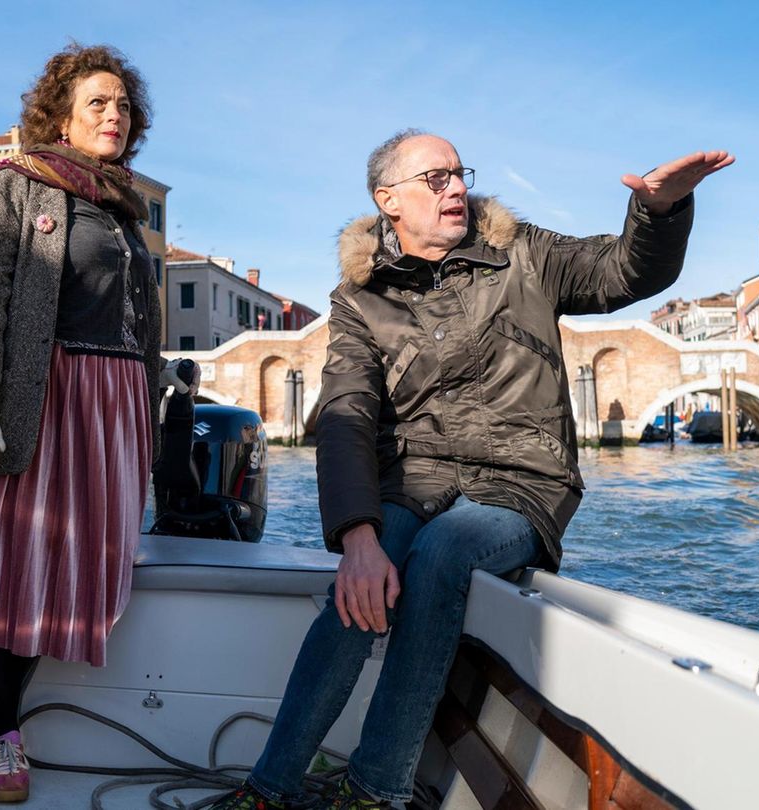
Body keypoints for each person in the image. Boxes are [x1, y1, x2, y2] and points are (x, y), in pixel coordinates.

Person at [213, 131, 731, 809]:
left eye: (459, 175)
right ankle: (270, 789)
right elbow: (347, 414)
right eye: (435, 179)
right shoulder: (359, 300)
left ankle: (376, 790)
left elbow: (624, 273)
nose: (456, 188)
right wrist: (358, 538)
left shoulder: (524, 253)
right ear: (388, 200)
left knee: (443, 552)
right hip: (416, 479)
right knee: (361, 580)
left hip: (522, 480)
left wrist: (659, 213)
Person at [0, 43, 195, 804]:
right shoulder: (13, 187)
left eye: (123, 105)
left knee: (83, 557)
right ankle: (1, 737)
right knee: (13, 558)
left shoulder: (122, 208)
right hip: (44, 393)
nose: (114, 115)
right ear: (59, 115)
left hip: (115, 400)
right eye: (98, 103)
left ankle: (24, 717)